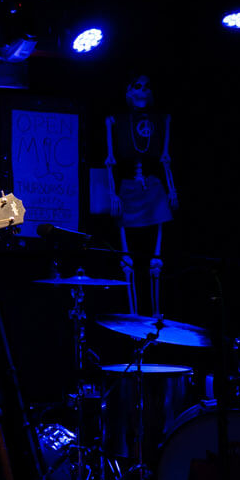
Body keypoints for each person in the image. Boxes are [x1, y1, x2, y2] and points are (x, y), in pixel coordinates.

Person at [101, 73, 175, 316]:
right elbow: (110, 161)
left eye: (146, 87)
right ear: (129, 91)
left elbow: (165, 159)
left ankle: (157, 319)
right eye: (137, 87)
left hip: (152, 186)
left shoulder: (161, 121)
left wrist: (172, 189)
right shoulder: (114, 121)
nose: (143, 91)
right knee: (127, 259)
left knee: (156, 259)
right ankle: (133, 317)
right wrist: (113, 194)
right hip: (129, 188)